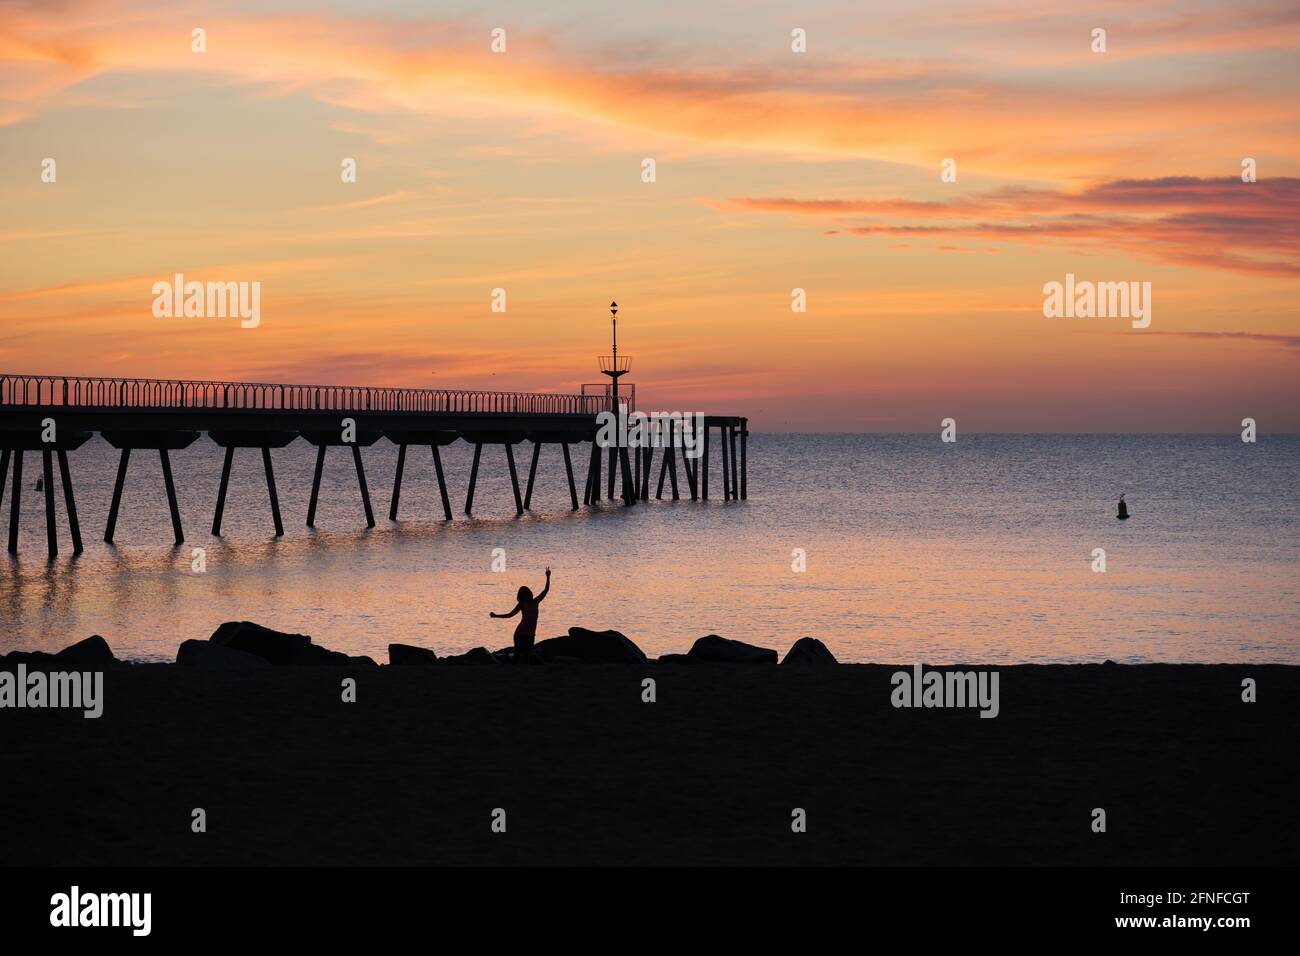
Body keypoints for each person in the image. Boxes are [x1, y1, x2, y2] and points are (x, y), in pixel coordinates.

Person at [490, 567, 551, 665]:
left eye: (526, 593)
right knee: (518, 655)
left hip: (531, 634)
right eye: (523, 594)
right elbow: (510, 615)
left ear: (529, 594)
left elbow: (546, 590)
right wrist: (496, 616)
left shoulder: (536, 601)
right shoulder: (522, 604)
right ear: (521, 596)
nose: (525, 596)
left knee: (527, 656)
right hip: (520, 633)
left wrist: (548, 577)